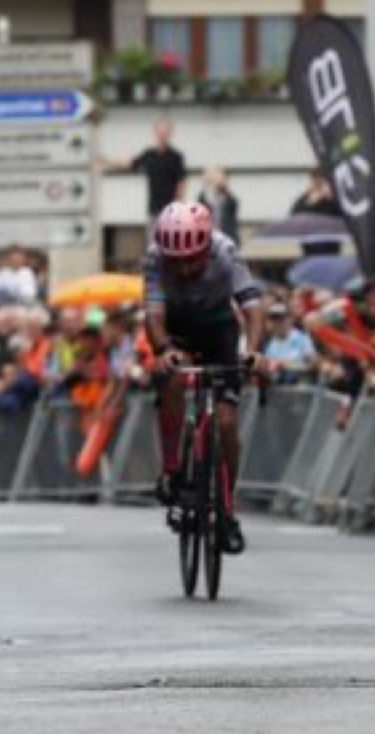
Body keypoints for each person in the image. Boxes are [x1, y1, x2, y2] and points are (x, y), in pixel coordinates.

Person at [144, 200, 265, 556]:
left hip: (218, 331)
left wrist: (253, 351)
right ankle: (171, 470)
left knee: (226, 424)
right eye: (175, 261)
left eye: (192, 260)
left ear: (205, 247)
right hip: (176, 330)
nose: (183, 269)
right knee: (174, 381)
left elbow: (253, 309)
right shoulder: (153, 258)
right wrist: (165, 348)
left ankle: (226, 511)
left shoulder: (226, 252)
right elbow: (152, 315)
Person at [114, 117, 187, 218]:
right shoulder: (149, 154)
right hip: (154, 208)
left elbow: (181, 182)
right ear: (155, 133)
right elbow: (131, 164)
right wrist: (109, 161)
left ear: (170, 134)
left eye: (165, 132)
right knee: (153, 233)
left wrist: (179, 206)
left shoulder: (176, 157)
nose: (162, 135)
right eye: (160, 132)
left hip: (171, 209)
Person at [197, 165, 241, 245]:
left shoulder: (229, 200)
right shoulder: (203, 199)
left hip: (226, 239)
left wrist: (223, 184)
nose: (215, 182)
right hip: (208, 241)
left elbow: (232, 203)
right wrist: (207, 186)